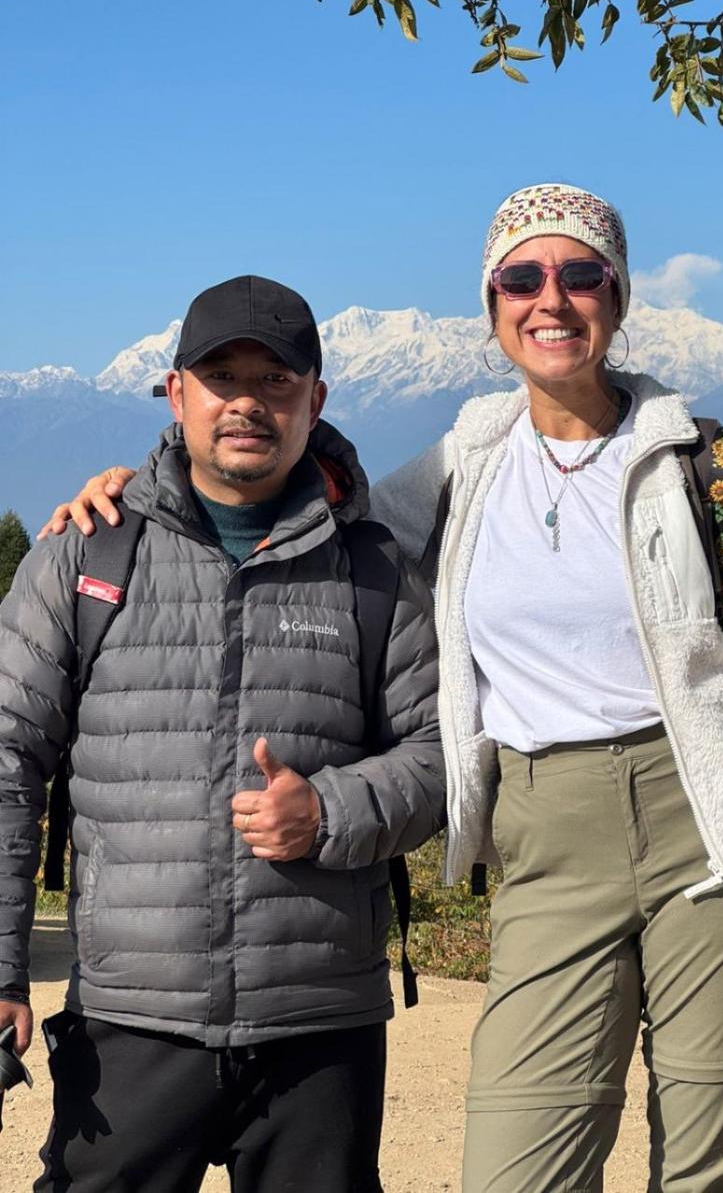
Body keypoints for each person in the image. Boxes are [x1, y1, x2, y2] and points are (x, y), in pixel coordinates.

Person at [48, 185, 723, 1192]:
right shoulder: (462, 466)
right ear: (492, 303)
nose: (551, 298)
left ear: (618, 296)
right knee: (515, 1167)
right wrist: (147, 492)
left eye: (581, 273)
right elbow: (318, 511)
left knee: (704, 1170)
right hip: (546, 839)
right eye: (521, 277)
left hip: (715, 832)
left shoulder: (706, 463)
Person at [3, 275, 444, 1192]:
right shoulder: (86, 555)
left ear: (315, 400)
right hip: (129, 1020)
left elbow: (442, 752)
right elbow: (7, 758)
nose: (248, 402)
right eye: (222, 378)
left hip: (320, 1026)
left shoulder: (373, 570)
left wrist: (329, 811)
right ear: (177, 394)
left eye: (276, 380)